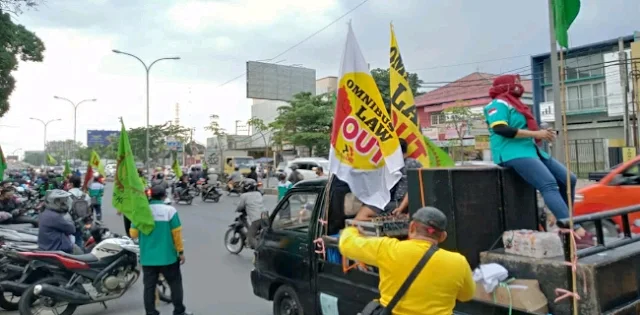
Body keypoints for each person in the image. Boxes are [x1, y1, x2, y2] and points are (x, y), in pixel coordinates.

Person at [483, 74, 592, 248]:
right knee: (548, 184)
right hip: (510, 151)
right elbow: (501, 128)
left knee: (568, 178)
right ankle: (573, 228)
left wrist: (543, 132)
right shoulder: (497, 104)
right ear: (505, 87)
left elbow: (526, 127)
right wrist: (536, 134)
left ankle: (561, 219)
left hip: (530, 149)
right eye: (515, 84)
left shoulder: (517, 105)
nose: (519, 86)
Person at [339, 206, 475, 315]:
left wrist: (352, 229)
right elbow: (466, 295)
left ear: (412, 227)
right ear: (443, 236)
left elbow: (346, 245)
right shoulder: (458, 262)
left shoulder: (388, 249)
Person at [130, 185, 192, 315]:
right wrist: (180, 252)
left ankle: (151, 312)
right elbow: (177, 234)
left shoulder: (141, 211)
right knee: (175, 284)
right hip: (168, 257)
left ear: (150, 195)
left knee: (149, 287)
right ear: (164, 196)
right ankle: (179, 311)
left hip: (148, 258)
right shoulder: (170, 211)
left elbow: (133, 234)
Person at [355, 139, 422, 221]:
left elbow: (414, 188)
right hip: (388, 201)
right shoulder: (389, 165)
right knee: (360, 216)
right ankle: (387, 218)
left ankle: (391, 218)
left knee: (361, 216)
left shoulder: (412, 164)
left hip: (401, 203)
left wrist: (401, 208)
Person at [38, 190, 80, 254]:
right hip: (56, 249)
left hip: (47, 246)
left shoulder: (45, 212)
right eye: (62, 202)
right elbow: (72, 229)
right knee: (79, 252)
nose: (64, 204)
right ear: (55, 202)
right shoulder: (55, 217)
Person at [236, 179, 265, 249]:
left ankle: (258, 251)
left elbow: (240, 207)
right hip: (265, 216)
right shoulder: (258, 194)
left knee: (250, 237)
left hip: (256, 219)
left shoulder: (244, 196)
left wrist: (237, 210)